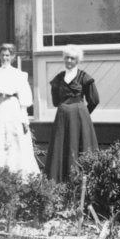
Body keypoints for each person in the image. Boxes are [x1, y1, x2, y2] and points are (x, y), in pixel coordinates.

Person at [0, 43, 40, 177]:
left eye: (8, 55)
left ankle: (17, 174)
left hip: (13, 107)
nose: (5, 58)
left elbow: (25, 99)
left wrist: (24, 119)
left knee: (15, 140)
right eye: (2, 55)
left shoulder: (19, 75)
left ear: (13, 56)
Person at [45, 44, 99, 182]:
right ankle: (60, 180)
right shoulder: (58, 79)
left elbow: (94, 100)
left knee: (81, 145)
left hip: (80, 116)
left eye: (72, 58)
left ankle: (81, 180)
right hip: (62, 117)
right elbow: (55, 101)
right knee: (61, 146)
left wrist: (84, 114)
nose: (69, 61)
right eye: (67, 58)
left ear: (77, 60)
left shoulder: (84, 77)